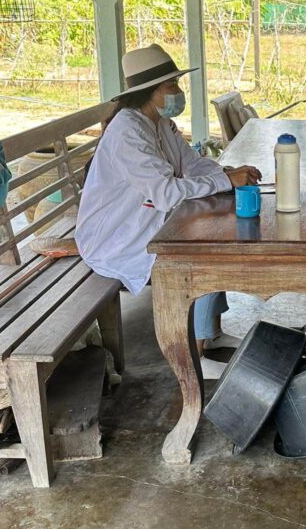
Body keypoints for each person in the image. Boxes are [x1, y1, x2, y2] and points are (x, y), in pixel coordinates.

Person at [76, 44, 261, 380]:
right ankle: (194, 355)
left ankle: (210, 333)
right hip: (116, 240)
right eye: (171, 85)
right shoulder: (128, 131)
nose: (178, 92)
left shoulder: (160, 124)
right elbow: (165, 193)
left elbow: (192, 164)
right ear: (148, 92)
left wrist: (227, 173)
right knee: (198, 258)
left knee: (214, 236)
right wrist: (224, 180)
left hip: (144, 223)